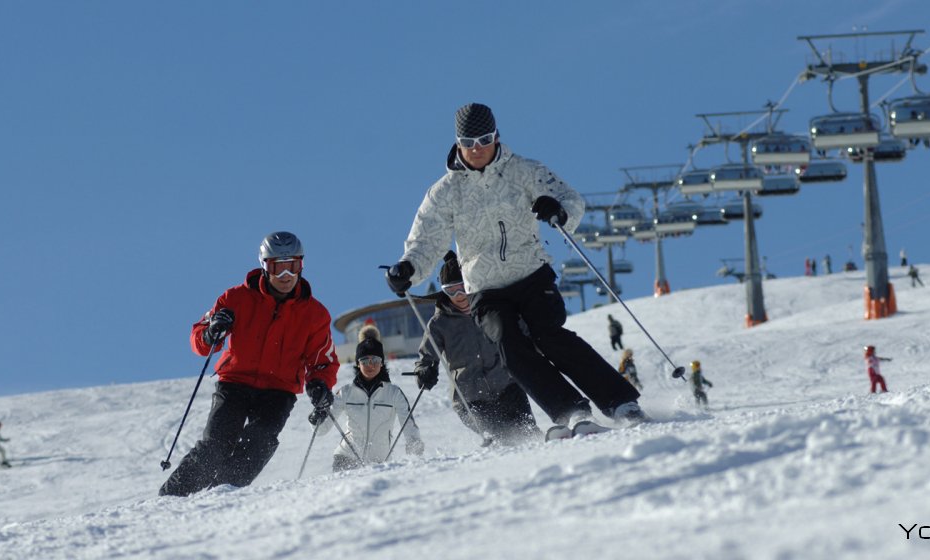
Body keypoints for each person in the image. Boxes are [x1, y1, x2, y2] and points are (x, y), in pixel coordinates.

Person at [385, 102, 645, 436]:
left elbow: (570, 200)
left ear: (496, 136)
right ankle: (571, 411)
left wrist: (558, 210)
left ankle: (621, 402)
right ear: (457, 143)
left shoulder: (524, 171)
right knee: (509, 345)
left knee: (548, 335)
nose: (477, 149)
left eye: (484, 139)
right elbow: (426, 240)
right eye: (468, 142)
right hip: (485, 286)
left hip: (531, 273)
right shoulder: (445, 192)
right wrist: (409, 268)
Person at [159, 231, 340, 497]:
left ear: (301, 266)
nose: (286, 276)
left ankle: (222, 495)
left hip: (278, 391)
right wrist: (212, 332)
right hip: (235, 383)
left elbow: (323, 361)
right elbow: (199, 339)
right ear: (265, 267)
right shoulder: (236, 298)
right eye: (278, 268)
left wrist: (320, 385)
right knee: (216, 446)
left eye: (293, 267)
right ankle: (171, 497)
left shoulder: (314, 314)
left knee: (259, 443)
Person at [414, 251, 541, 446]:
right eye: (451, 291)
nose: (458, 296)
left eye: (462, 288)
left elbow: (521, 329)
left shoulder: (489, 310)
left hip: (507, 385)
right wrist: (424, 370)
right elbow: (426, 355)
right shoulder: (439, 324)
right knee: (499, 437)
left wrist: (534, 345)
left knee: (528, 432)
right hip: (470, 399)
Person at [313, 325, 423, 471]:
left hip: (379, 463)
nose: (370, 365)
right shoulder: (345, 392)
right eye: (365, 361)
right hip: (346, 459)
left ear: (382, 362)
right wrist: (316, 418)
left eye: (375, 360)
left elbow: (409, 426)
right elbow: (322, 429)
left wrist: (414, 447)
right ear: (358, 364)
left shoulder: (394, 393)